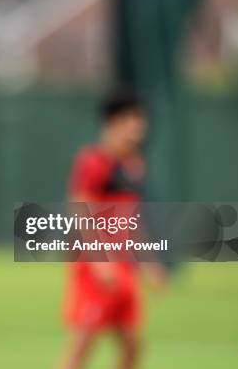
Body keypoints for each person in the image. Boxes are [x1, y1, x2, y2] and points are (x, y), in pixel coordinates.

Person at [60, 90, 165, 369]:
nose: (139, 126)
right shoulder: (93, 161)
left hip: (124, 267)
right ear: (113, 122)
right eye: (132, 119)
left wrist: (149, 262)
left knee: (132, 346)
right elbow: (80, 209)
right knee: (81, 345)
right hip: (98, 267)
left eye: (140, 119)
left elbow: (132, 221)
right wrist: (98, 261)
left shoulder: (134, 165)